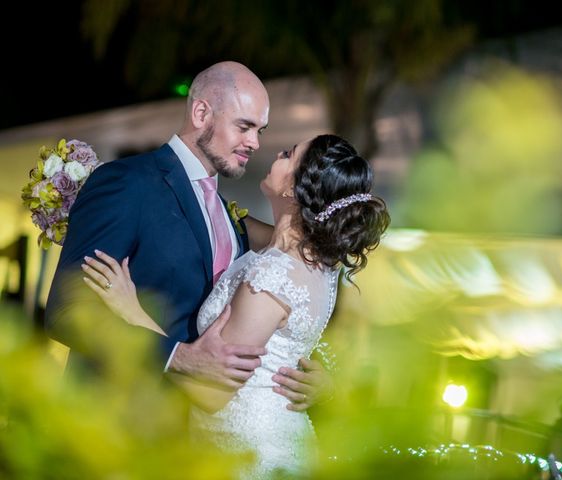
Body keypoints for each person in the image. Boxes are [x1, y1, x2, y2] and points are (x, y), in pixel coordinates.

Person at [82, 134, 390, 478]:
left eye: (289, 155)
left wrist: (133, 313)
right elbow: (213, 219)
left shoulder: (272, 275)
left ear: (295, 189)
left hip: (246, 450)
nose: (275, 152)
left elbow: (210, 395)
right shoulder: (317, 259)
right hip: (270, 436)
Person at [44, 61, 329, 409]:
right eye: (244, 126)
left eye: (260, 130)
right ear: (200, 113)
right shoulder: (127, 183)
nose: (254, 142)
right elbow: (67, 311)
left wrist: (309, 370)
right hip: (117, 423)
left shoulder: (230, 218)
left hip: (196, 436)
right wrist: (176, 356)